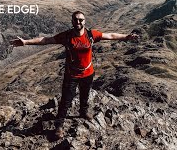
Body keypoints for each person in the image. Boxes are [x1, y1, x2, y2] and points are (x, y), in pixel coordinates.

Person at [10, 10, 138, 138]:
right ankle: (59, 126)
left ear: (84, 21)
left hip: (88, 73)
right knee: (66, 100)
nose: (78, 22)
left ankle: (83, 112)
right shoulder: (66, 36)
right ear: (72, 21)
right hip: (71, 75)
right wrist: (26, 42)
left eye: (80, 20)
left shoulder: (91, 34)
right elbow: (46, 40)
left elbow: (110, 36)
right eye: (75, 20)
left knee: (85, 95)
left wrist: (126, 37)